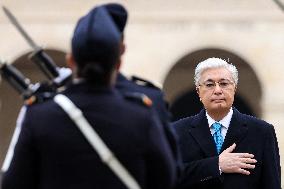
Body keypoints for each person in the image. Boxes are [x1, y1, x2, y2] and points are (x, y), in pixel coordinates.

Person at [2, 4, 176, 189]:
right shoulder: (142, 117)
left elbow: (13, 183)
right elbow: (166, 180)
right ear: (118, 63)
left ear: (71, 61)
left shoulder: (39, 116)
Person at [173, 57, 281, 189]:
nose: (218, 90)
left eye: (224, 84)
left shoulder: (262, 131)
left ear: (234, 88)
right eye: (209, 84)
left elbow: (272, 183)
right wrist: (216, 165)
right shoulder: (177, 132)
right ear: (198, 91)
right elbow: (169, 178)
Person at [103, 3, 181, 179]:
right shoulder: (148, 100)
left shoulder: (49, 108)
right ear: (121, 50)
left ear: (73, 60)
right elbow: (168, 174)